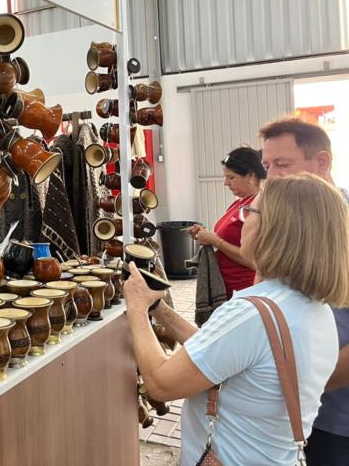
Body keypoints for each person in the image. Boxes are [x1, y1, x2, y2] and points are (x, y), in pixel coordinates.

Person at [124, 173, 349, 465]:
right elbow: (220, 354)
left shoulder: (253, 313)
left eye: (250, 211)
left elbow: (160, 384)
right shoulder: (313, 308)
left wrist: (137, 309)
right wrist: (162, 311)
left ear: (274, 229)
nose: (243, 220)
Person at [238, 117, 349, 465]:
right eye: (267, 166)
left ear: (322, 162)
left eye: (283, 165)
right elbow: (257, 275)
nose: (271, 177)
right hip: (296, 410)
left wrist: (302, 389)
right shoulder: (285, 220)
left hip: (335, 417)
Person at [187, 147, 266, 298]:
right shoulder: (240, 203)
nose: (226, 183)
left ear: (250, 175)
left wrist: (216, 241)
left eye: (231, 178)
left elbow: (253, 261)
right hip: (227, 287)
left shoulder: (258, 208)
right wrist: (205, 235)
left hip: (243, 289)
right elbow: (229, 238)